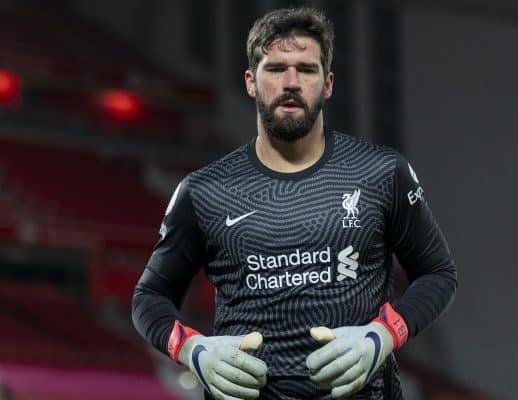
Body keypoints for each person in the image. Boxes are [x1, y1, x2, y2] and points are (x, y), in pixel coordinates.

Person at [132, 7, 457, 400]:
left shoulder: (382, 172)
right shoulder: (204, 191)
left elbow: (438, 274)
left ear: (328, 83)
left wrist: (383, 335)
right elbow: (149, 299)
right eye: (275, 69)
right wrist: (193, 349)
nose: (291, 82)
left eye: (306, 69)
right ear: (251, 82)